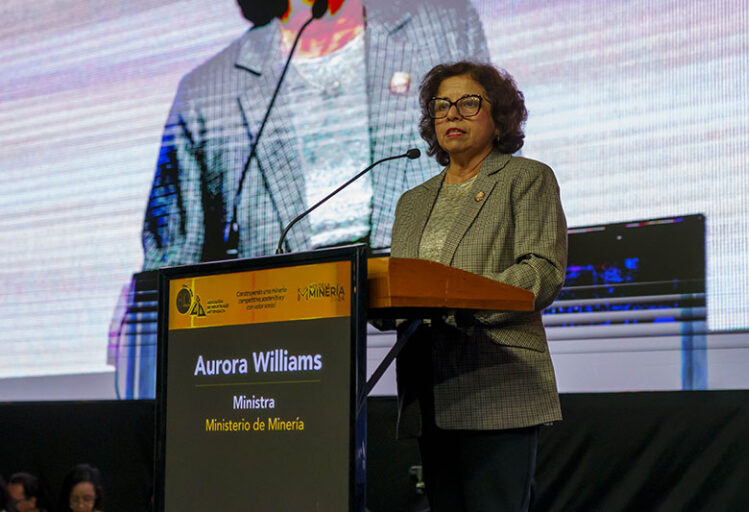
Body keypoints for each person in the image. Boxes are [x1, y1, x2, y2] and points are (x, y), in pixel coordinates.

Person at [141, 0, 489, 269]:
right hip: (283, 341)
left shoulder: (447, 30)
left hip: (435, 331)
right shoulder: (207, 92)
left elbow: (496, 188)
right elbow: (171, 262)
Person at [390, 61, 567, 511]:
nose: (452, 114)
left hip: (497, 381)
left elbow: (541, 270)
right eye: (441, 105)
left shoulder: (525, 179)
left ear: (500, 116)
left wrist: (461, 300)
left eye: (469, 103)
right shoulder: (411, 203)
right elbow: (401, 285)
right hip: (430, 387)